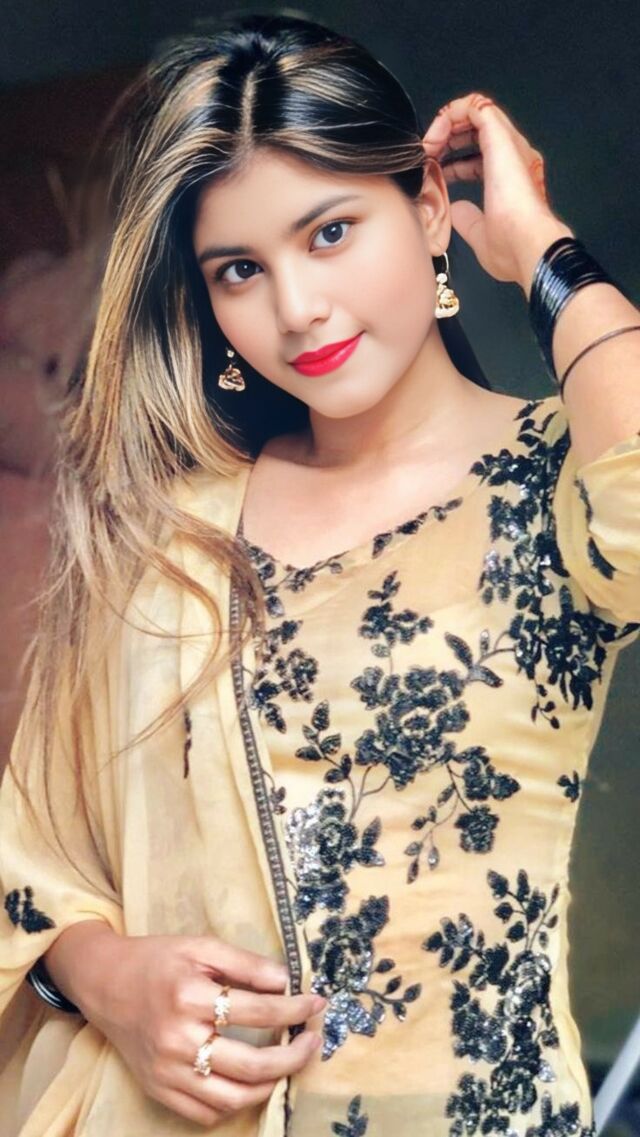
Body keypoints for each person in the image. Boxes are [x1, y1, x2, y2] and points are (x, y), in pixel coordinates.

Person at [1, 11, 639, 1137]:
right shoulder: (167, 535)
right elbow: (30, 850)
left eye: (331, 231)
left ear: (429, 208)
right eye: (240, 269)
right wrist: (102, 978)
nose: (295, 309)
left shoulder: (556, 477)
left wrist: (542, 248)